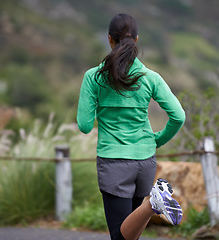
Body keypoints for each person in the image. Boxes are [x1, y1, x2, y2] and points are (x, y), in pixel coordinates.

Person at [77, 13, 186, 240]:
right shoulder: (150, 77)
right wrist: (156, 140)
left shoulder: (94, 77)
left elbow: (85, 126)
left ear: (110, 40)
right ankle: (153, 201)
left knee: (120, 236)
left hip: (114, 162)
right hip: (145, 161)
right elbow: (178, 116)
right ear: (136, 40)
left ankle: (152, 204)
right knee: (131, 234)